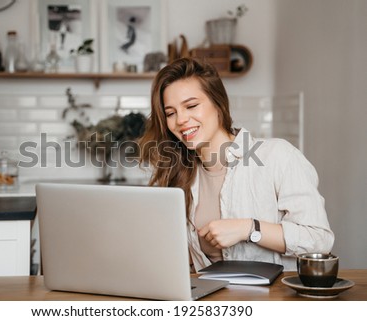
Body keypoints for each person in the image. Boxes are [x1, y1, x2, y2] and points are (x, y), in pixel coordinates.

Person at [138, 58, 334, 272]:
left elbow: (319, 240)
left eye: (191, 106)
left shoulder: (277, 156)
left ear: (218, 104)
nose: (181, 120)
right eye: (170, 113)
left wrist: (249, 228)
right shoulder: (180, 173)